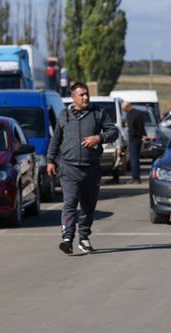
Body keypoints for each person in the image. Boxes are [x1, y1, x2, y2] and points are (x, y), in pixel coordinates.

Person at [47, 82, 119, 254]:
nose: (85, 97)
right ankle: (67, 239)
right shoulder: (64, 115)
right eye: (81, 95)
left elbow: (113, 132)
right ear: (73, 97)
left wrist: (98, 138)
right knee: (70, 203)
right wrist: (51, 160)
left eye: (87, 94)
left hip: (91, 168)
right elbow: (56, 140)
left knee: (88, 206)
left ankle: (84, 237)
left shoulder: (98, 113)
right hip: (69, 168)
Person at [122, 101, 147, 184]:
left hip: (134, 139)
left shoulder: (131, 115)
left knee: (134, 159)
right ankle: (136, 177)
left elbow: (133, 128)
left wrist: (140, 135)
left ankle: (135, 177)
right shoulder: (138, 113)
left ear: (127, 107)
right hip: (137, 138)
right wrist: (143, 135)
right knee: (135, 159)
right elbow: (141, 126)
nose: (124, 111)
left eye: (124, 109)